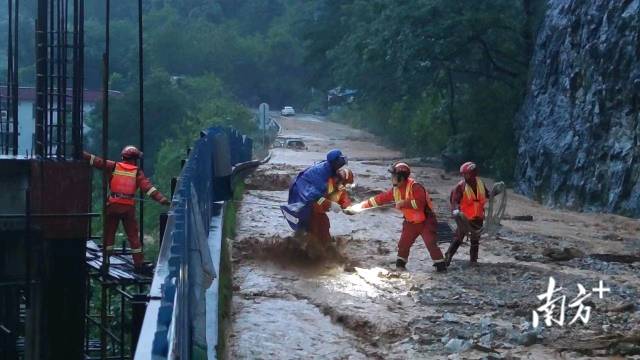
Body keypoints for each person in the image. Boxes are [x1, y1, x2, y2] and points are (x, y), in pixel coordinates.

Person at [84, 146, 170, 274]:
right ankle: (138, 265)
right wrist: (162, 199)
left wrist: (82, 154)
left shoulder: (114, 166)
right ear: (135, 160)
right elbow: (148, 188)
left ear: (123, 157)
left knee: (109, 235)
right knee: (133, 237)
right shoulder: (137, 172)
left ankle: (106, 262)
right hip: (127, 208)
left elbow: (97, 162)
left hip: (112, 205)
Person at [346, 162, 447, 272]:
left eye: (393, 176)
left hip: (426, 221)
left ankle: (441, 268)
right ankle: (400, 268)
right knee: (403, 245)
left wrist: (403, 203)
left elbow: (419, 203)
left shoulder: (416, 187)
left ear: (401, 177)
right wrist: (360, 206)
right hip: (410, 222)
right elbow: (379, 199)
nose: (392, 178)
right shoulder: (395, 190)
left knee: (430, 243)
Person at [445, 161, 498, 266]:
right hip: (464, 218)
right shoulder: (460, 186)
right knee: (459, 237)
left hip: (478, 217)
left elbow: (487, 195)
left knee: (475, 239)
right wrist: (456, 211)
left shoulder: (480, 183)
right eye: (463, 174)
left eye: (466, 174)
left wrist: (496, 191)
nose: (464, 176)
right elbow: (455, 201)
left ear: (474, 174)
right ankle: (447, 257)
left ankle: (473, 261)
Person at [281, 149, 348, 232]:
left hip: (309, 190)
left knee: (315, 222)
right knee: (317, 220)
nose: (342, 162)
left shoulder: (330, 168)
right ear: (335, 162)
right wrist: (330, 204)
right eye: (340, 160)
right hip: (301, 190)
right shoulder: (321, 174)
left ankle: (305, 236)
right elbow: (314, 196)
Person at [309, 167, 354, 243]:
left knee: (324, 225)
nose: (343, 186)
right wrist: (330, 204)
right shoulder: (325, 181)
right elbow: (316, 198)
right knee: (322, 225)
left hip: (319, 209)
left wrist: (349, 208)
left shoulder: (339, 188)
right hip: (312, 208)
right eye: (344, 183)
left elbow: (344, 199)